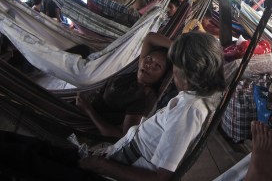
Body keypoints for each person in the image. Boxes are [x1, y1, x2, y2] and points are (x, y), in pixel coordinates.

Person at [0, 31, 226, 181]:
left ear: (187, 71)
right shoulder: (191, 97)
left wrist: (102, 167)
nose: (149, 63)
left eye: (173, 64)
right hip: (113, 153)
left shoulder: (188, 111)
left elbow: (160, 178)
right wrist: (186, 48)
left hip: (112, 168)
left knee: (31, 158)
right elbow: (149, 38)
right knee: (37, 151)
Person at [76, 32, 172, 138]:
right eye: (149, 58)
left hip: (88, 128)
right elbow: (150, 37)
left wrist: (88, 110)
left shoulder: (143, 98)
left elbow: (122, 137)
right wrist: (177, 47)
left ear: (162, 77)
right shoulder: (139, 73)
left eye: (157, 66)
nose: (149, 65)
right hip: (81, 110)